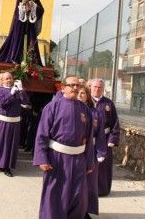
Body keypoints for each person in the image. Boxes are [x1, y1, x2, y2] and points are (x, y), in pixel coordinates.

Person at [33, 76, 95, 219]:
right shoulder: (52, 107)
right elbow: (42, 134)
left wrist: (89, 161)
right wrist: (42, 159)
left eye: (77, 85)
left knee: (78, 196)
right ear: (63, 88)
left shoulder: (85, 109)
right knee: (55, 195)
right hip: (57, 159)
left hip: (79, 160)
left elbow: (89, 138)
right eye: (71, 85)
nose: (74, 88)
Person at [0, 0, 44, 65]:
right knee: (18, 40)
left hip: (30, 24)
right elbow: (18, 10)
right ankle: (15, 58)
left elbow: (41, 10)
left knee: (31, 41)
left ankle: (31, 61)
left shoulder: (36, 0)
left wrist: (34, 6)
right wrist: (23, 5)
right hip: (20, 24)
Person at [0, 72, 27, 177]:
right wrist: (11, 94)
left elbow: (26, 102)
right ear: (3, 80)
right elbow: (1, 103)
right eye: (7, 79)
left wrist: (21, 90)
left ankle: (7, 167)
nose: (9, 80)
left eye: (10, 78)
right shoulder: (0, 90)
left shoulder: (18, 91)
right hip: (3, 121)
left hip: (14, 123)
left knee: (11, 145)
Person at [77, 86, 107, 217]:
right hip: (75, 151)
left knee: (89, 183)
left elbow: (100, 135)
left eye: (83, 93)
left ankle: (85, 211)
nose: (80, 95)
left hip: (91, 152)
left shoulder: (96, 113)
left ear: (88, 95)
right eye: (78, 93)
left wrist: (101, 152)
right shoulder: (70, 109)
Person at [90, 79, 120, 197]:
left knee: (103, 167)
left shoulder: (108, 104)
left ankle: (102, 190)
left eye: (99, 87)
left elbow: (115, 123)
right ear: (91, 87)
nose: (97, 89)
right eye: (95, 87)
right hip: (89, 139)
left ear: (103, 89)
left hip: (105, 139)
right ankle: (88, 189)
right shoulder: (85, 101)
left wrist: (113, 139)